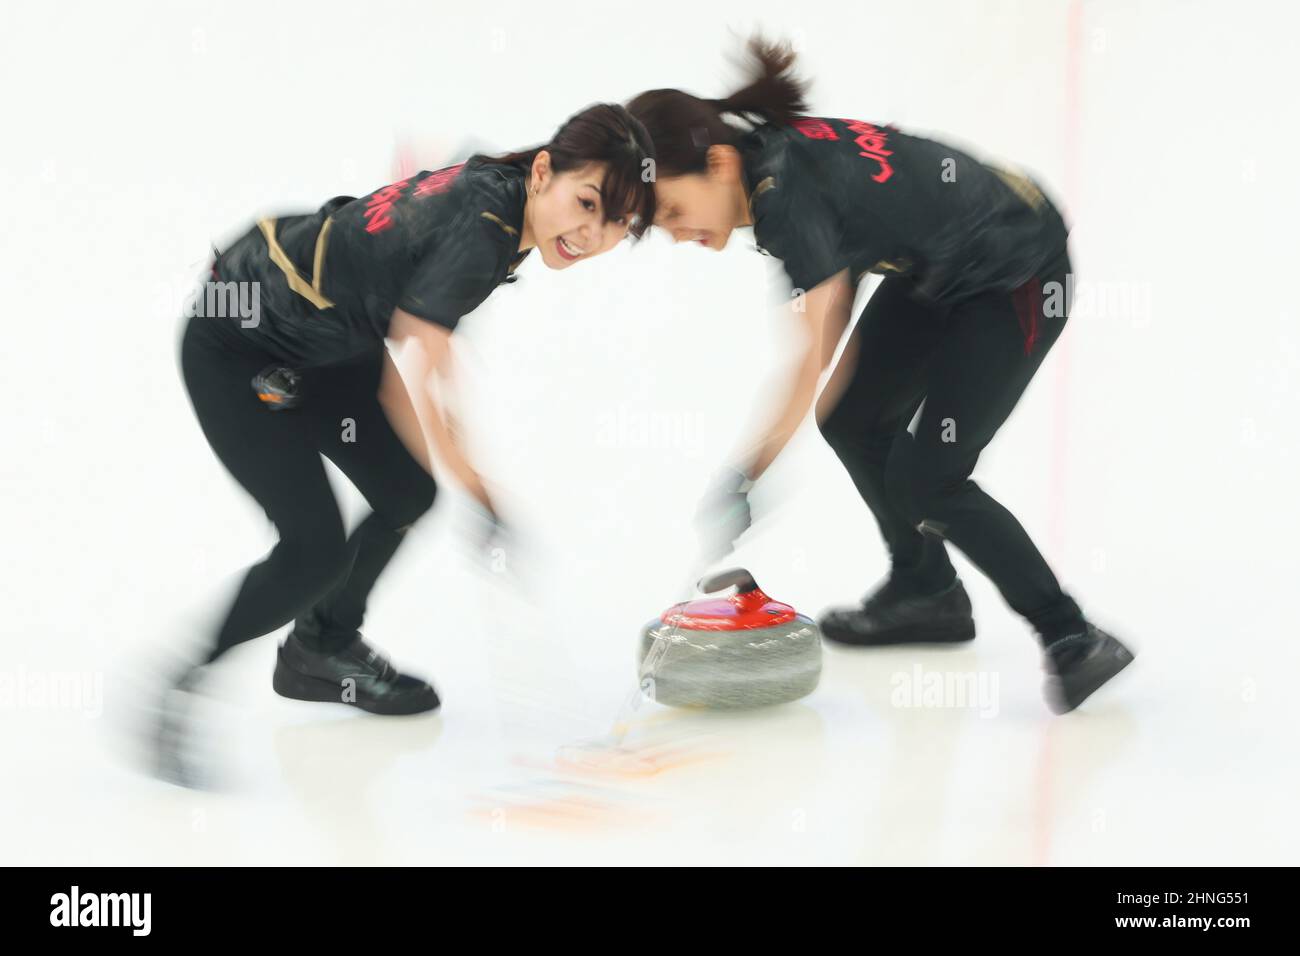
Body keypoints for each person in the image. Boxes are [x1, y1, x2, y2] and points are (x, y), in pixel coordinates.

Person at [626, 40, 1133, 713]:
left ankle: (1070, 634)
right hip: (942, 266)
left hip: (1020, 272)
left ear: (716, 165)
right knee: (853, 418)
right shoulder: (759, 158)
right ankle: (926, 592)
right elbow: (830, 335)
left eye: (667, 211)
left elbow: (809, 358)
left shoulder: (787, 201)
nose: (673, 232)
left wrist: (748, 475)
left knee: (929, 479)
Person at [163, 104, 656, 780]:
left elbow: (423, 257)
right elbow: (416, 386)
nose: (590, 233)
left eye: (615, 225)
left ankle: (319, 648)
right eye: (587, 202)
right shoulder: (486, 229)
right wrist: (485, 497)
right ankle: (179, 688)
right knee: (313, 550)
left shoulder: (504, 195)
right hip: (235, 341)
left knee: (405, 492)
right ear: (543, 171)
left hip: (327, 336)